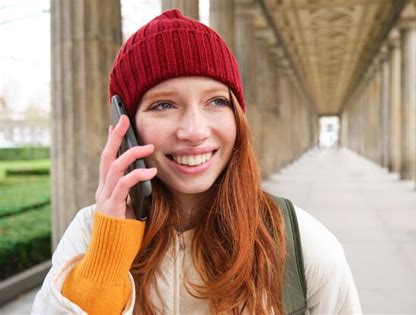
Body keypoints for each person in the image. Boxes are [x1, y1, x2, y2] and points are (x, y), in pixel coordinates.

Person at [31, 9, 361, 315]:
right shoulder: (90, 234)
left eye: (216, 101)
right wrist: (109, 252)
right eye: (163, 105)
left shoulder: (301, 242)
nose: (194, 131)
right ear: (126, 126)